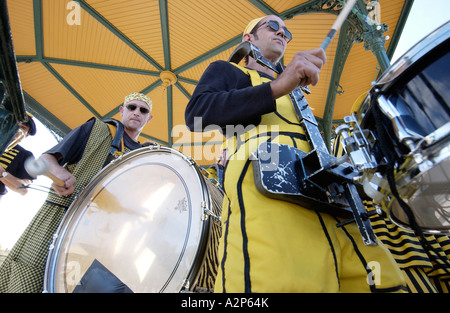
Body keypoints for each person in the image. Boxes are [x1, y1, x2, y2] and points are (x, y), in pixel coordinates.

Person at [185, 15, 407, 292]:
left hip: (329, 192)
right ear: (248, 39)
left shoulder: (296, 92)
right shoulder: (230, 72)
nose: (282, 33)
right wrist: (278, 86)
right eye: (273, 26)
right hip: (268, 185)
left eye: (286, 32)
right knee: (277, 279)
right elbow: (197, 116)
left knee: (377, 279)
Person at [0, 92, 153, 293]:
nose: (136, 112)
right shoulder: (96, 129)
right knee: (29, 281)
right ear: (122, 110)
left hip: (103, 240)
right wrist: (60, 173)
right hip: (60, 219)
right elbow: (47, 159)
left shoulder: (145, 157)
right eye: (132, 107)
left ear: (148, 118)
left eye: (143, 110)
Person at [0, 113, 37, 202]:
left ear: (26, 135)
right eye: (15, 124)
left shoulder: (24, 155)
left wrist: (2, 173)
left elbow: (24, 189)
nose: (16, 130)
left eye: (22, 128)